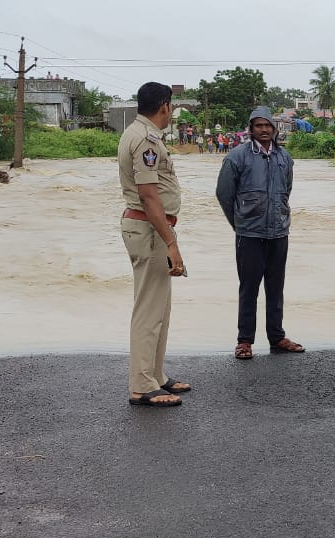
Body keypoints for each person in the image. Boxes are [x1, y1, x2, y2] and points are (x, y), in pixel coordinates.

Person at [118, 81, 192, 407]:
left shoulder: (142, 135)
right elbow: (149, 196)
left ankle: (155, 375)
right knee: (149, 309)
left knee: (161, 307)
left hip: (152, 230)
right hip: (149, 230)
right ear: (164, 105)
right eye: (172, 105)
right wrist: (172, 243)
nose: (172, 111)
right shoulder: (145, 140)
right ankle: (141, 385)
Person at [215, 106, 305, 360]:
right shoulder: (237, 157)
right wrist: (239, 223)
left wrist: (279, 216)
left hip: (279, 233)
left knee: (276, 288)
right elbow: (224, 194)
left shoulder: (284, 157)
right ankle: (245, 341)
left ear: (274, 129)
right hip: (249, 235)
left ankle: (277, 337)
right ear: (251, 128)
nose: (264, 130)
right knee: (249, 288)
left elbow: (286, 190)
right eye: (259, 126)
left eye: (268, 126)